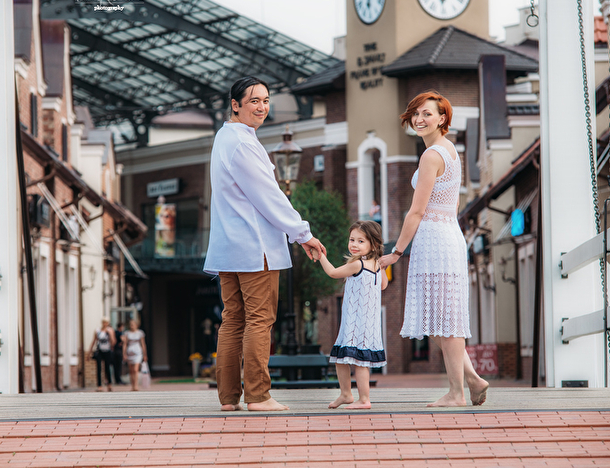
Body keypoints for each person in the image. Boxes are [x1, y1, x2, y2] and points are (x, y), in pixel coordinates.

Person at [204, 76, 326, 412]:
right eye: (254, 101)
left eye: (266, 101)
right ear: (235, 105)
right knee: (259, 319)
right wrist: (302, 233)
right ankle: (258, 396)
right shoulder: (243, 143)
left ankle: (229, 398)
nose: (262, 107)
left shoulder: (224, 138)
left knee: (233, 319)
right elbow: (268, 196)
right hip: (253, 246)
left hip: (228, 247)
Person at [379, 90, 490, 407]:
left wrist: (396, 252)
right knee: (443, 318)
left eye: (426, 113)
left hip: (435, 240)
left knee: (446, 320)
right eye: (416, 113)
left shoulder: (431, 156)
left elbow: (416, 211)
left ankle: (457, 393)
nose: (419, 119)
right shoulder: (450, 150)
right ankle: (472, 380)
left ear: (442, 118)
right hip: (448, 234)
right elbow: (450, 204)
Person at [318, 220, 388, 410]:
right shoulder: (377, 265)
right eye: (352, 240)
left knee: (360, 362)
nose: (354, 244)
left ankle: (364, 399)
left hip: (357, 322)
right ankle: (346, 394)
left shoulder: (358, 265)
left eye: (361, 241)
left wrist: (320, 256)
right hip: (363, 321)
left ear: (373, 244)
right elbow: (383, 285)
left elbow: (333, 272)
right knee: (341, 357)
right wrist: (381, 267)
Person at [90, 317, 115, 392]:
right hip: (99, 351)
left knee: (107, 368)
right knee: (99, 368)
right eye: (104, 322)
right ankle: (99, 385)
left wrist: (110, 334)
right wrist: (89, 352)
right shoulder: (98, 331)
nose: (105, 324)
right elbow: (94, 341)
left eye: (106, 322)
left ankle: (109, 384)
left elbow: (113, 342)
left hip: (107, 351)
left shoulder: (110, 330)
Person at [122, 319, 148, 391]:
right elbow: (125, 344)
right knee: (131, 370)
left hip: (138, 352)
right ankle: (132, 385)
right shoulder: (127, 333)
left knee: (135, 369)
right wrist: (124, 353)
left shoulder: (140, 333)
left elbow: (143, 344)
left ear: (136, 325)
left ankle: (136, 385)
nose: (131, 326)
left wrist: (145, 354)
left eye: (133, 325)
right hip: (130, 352)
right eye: (130, 325)